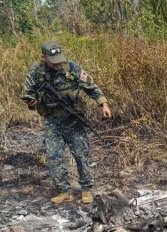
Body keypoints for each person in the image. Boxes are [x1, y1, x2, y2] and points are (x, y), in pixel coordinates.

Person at [22, 41, 112, 205]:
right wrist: (32, 102)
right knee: (53, 156)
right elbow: (28, 93)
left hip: (73, 118)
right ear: (43, 57)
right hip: (52, 119)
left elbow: (91, 86)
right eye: (53, 60)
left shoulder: (71, 68)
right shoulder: (36, 72)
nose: (57, 63)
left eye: (59, 59)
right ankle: (64, 191)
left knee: (80, 153)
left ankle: (86, 189)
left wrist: (103, 104)